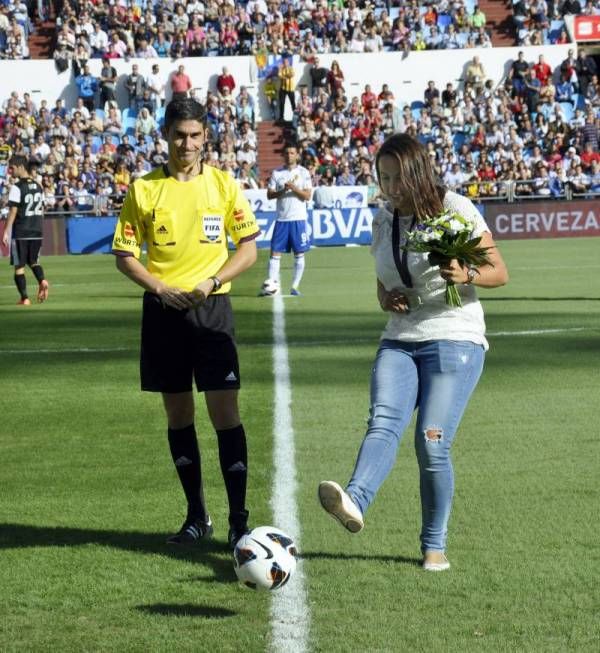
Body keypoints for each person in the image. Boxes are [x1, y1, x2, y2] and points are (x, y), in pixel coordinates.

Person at [318, 133, 509, 572]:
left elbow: (499, 272)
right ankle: (355, 501)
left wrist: (466, 272)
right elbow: (383, 280)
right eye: (383, 178)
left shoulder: (455, 208)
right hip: (400, 337)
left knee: (431, 441)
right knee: (383, 420)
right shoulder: (383, 219)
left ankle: (434, 547)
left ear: (418, 173)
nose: (389, 187)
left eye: (397, 178)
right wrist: (385, 297)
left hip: (454, 334)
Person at [111, 98, 260, 549]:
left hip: (212, 311)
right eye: (179, 135)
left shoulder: (223, 184)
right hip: (163, 314)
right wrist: (159, 288)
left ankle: (239, 519)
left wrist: (214, 280)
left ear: (206, 137)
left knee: (225, 414)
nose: (187, 143)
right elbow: (124, 256)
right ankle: (197, 516)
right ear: (166, 136)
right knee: (178, 415)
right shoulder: (144, 190)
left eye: (195, 135)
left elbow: (248, 248)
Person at [259, 143, 312, 296]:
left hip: (298, 219)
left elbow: (307, 196)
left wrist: (294, 188)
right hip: (282, 219)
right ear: (284, 155)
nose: (290, 155)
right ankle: (272, 285)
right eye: (287, 153)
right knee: (275, 253)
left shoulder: (304, 173)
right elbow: (269, 195)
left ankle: (295, 287)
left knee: (299, 254)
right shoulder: (277, 173)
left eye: (292, 152)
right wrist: (283, 190)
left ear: (297, 155)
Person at [2, 155, 50, 305]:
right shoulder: (38, 186)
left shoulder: (17, 187)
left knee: (19, 266)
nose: (10, 171)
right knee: (34, 261)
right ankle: (42, 280)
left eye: (12, 168)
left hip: (21, 231)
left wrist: (6, 230)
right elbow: (42, 209)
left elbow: (13, 211)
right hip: (36, 231)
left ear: (21, 167)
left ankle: (25, 298)